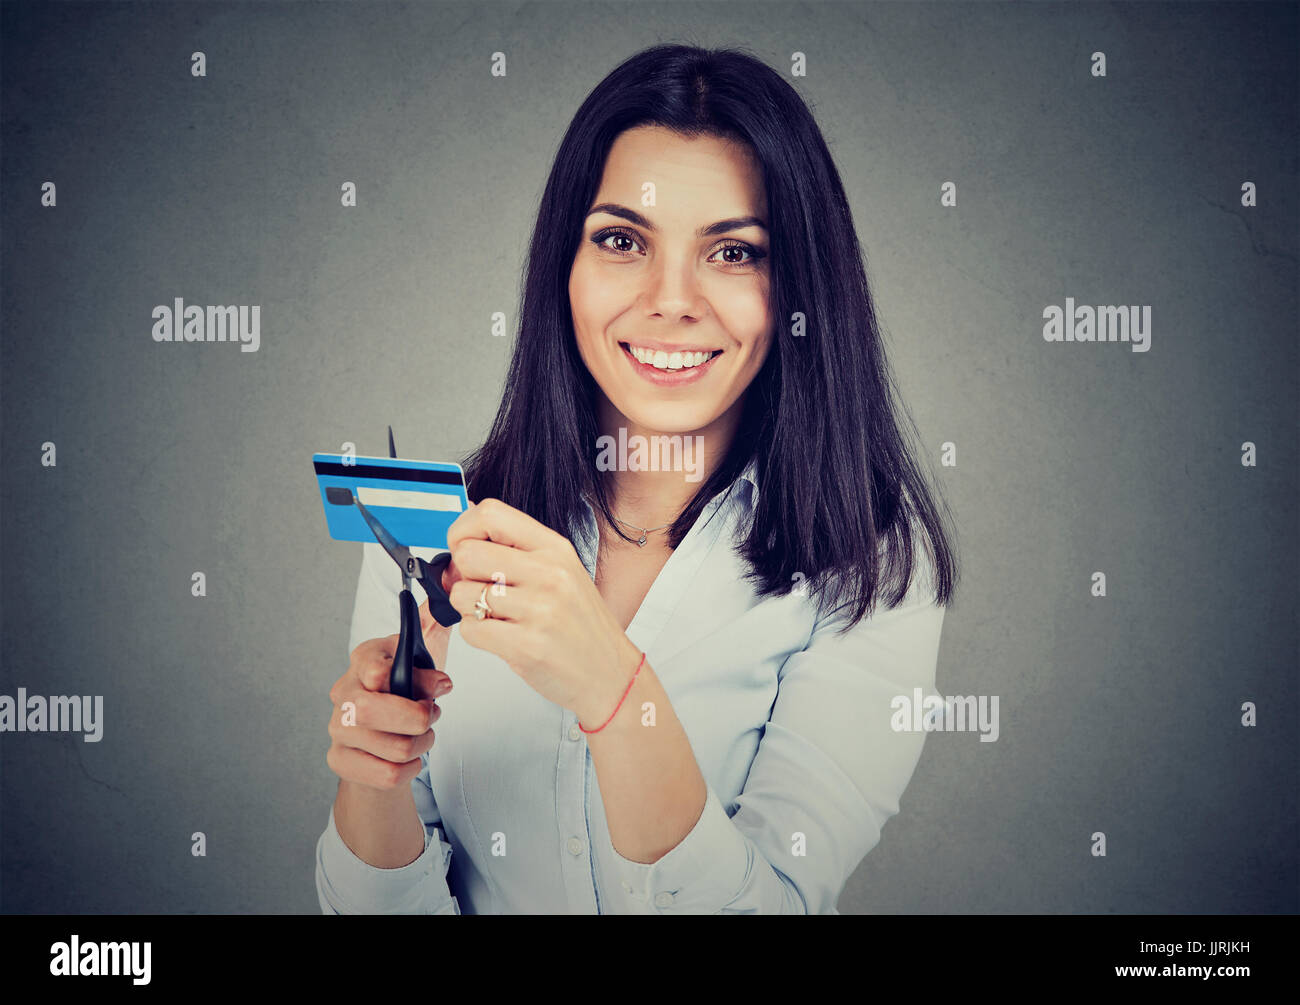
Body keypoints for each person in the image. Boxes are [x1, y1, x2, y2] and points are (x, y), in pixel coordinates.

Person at [316, 42, 959, 914]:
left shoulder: (873, 562)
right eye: (622, 240)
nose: (671, 299)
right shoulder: (433, 525)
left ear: (797, 284)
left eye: (733, 253)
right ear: (564, 267)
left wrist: (613, 689)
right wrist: (375, 776)